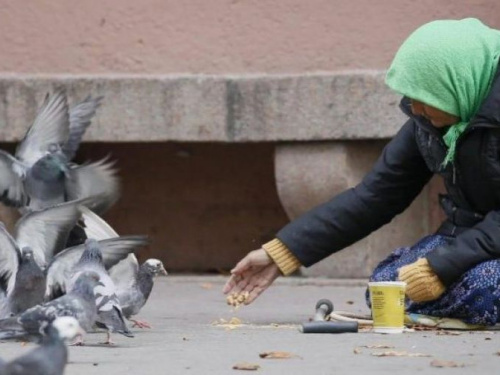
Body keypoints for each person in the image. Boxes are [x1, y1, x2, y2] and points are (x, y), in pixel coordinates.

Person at [223, 18, 500, 326]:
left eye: (426, 97)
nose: (415, 108)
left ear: (458, 83)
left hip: (485, 246)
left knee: (482, 287)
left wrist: (441, 267)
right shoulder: (429, 121)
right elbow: (376, 195)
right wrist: (282, 253)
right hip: (470, 239)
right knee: (387, 286)